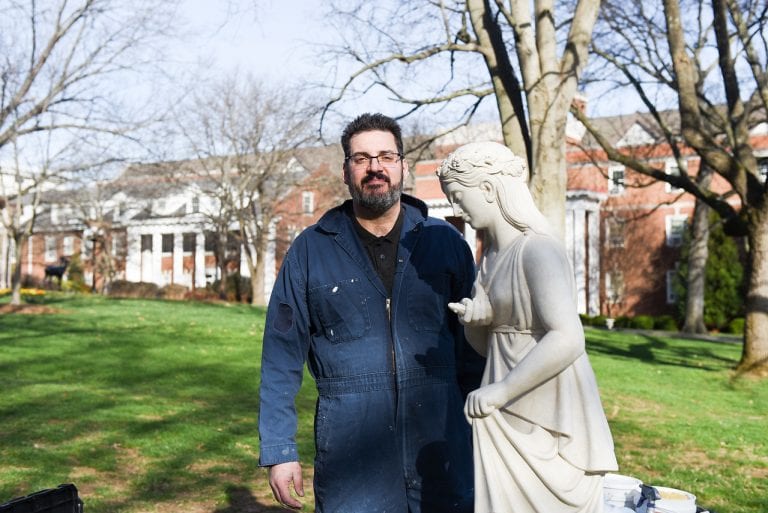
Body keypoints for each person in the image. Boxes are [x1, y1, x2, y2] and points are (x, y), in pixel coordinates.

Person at [258, 113, 482, 512]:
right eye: (361, 159)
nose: (374, 167)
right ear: (345, 172)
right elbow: (281, 357)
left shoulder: (446, 243)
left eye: (385, 156)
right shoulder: (311, 251)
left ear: (402, 167)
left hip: (442, 450)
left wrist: (486, 434)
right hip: (351, 459)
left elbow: (477, 351)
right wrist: (279, 449)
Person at [437, 142, 618, 513]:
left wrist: (502, 390)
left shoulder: (538, 250)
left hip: (548, 407)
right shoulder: (488, 259)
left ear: (487, 189)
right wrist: (478, 322)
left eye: (458, 197)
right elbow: (492, 349)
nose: (456, 209)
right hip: (503, 402)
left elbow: (568, 339)